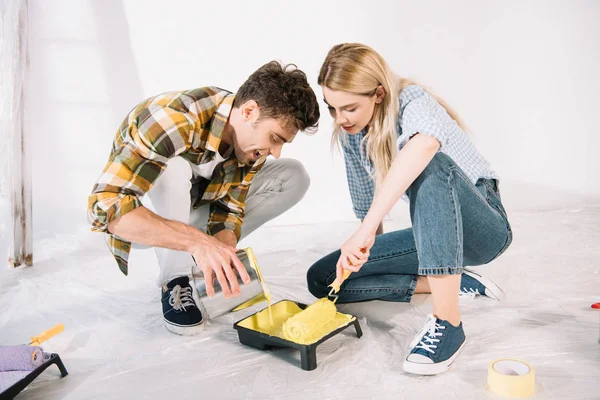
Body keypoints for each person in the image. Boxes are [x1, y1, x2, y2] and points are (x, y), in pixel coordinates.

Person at [306, 43, 512, 375]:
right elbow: (365, 200)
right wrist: (365, 247)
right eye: (332, 108)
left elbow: (425, 145)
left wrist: (364, 231)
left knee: (430, 163)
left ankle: (449, 324)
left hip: (483, 231)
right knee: (324, 279)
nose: (339, 118)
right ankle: (449, 280)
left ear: (378, 94)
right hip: (438, 237)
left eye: (349, 108)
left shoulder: (414, 103)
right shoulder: (352, 133)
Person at [88, 61, 319, 335]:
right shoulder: (173, 120)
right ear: (248, 111)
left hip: (192, 209)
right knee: (175, 169)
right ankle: (175, 279)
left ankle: (206, 264)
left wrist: (225, 252)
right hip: (136, 221)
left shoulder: (250, 139)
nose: (276, 151)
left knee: (293, 175)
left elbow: (229, 208)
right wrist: (197, 242)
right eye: (275, 138)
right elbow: (104, 207)